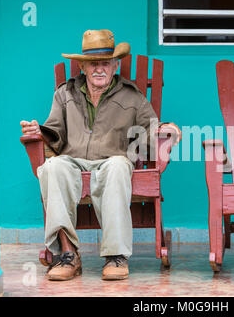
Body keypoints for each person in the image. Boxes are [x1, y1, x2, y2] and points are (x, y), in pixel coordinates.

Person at [20, 29, 180, 281]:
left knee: (118, 166)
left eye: (105, 63)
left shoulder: (132, 96)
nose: (99, 69)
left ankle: (116, 256)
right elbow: (54, 131)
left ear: (115, 66)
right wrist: (38, 130)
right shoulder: (65, 93)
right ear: (82, 67)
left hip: (112, 159)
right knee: (52, 168)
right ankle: (67, 254)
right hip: (73, 160)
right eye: (93, 64)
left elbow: (149, 131)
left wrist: (166, 129)